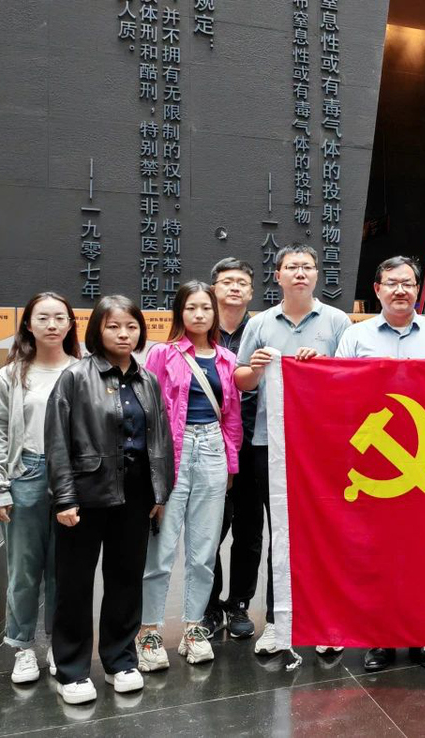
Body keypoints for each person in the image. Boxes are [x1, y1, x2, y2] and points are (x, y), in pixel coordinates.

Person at [46, 295, 174, 705]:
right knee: (75, 584)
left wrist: (159, 492)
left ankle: (121, 661)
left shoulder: (147, 379)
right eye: (114, 326)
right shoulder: (75, 377)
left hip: (135, 495)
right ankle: (71, 670)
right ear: (97, 330)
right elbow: (57, 443)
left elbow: (161, 438)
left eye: (131, 327)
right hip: (85, 495)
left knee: (126, 579)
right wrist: (64, 498)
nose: (124, 334)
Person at [336, 256, 425, 672]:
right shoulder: (355, 337)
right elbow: (337, 392)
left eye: (408, 283)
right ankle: (381, 638)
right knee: (377, 553)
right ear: (377, 289)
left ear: (418, 289)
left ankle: (423, 636)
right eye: (392, 283)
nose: (400, 290)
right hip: (375, 469)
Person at [235, 244, 352, 656]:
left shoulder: (338, 321)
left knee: (326, 533)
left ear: (317, 275)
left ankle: (327, 622)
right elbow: (241, 380)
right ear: (278, 276)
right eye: (292, 267)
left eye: (307, 267)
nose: (300, 273)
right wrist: (257, 368)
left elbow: (351, 379)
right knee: (280, 534)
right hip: (271, 444)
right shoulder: (260, 323)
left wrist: (323, 366)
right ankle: (276, 622)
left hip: (324, 446)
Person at [136, 282, 243, 670]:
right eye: (191, 308)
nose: (199, 315)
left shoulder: (227, 358)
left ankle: (194, 628)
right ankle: (149, 631)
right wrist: (153, 469)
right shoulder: (162, 354)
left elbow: (231, 417)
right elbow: (147, 411)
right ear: (179, 312)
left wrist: (230, 464)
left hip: (213, 451)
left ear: (215, 314)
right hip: (173, 454)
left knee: (203, 551)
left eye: (206, 308)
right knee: (161, 550)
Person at [0, 292, 81, 684]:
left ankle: (59, 644)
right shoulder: (11, 375)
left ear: (71, 324)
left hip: (71, 478)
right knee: (23, 570)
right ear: (28, 324)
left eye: (59, 317)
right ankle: (22, 647)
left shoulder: (84, 371)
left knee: (63, 569)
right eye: (43, 318)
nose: (52, 325)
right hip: (25, 473)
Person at [204, 258, 261, 640]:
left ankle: (239, 603)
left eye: (242, 282)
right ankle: (209, 605)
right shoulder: (200, 332)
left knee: (249, 530)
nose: (235, 287)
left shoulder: (261, 331)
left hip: (254, 444)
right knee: (209, 530)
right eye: (227, 281)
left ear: (251, 292)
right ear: (214, 289)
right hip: (210, 447)